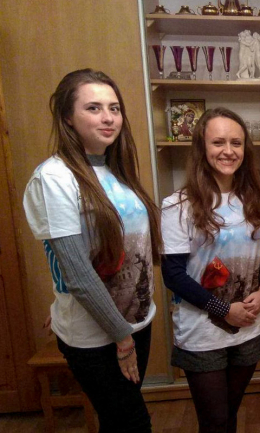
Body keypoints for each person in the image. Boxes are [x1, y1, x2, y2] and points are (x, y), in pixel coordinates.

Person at [23, 69, 163, 431]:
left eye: (114, 108)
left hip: (137, 322)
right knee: (133, 424)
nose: (108, 117)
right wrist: (121, 338)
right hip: (101, 337)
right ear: (67, 117)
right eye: (93, 108)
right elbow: (77, 271)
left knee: (118, 422)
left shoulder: (115, 171)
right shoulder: (54, 177)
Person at [161, 107, 260, 433]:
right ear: (202, 148)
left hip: (248, 327)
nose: (228, 151)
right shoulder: (178, 205)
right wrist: (224, 310)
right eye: (218, 142)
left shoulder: (251, 198)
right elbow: (173, 275)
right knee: (215, 421)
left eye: (236, 143)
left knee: (229, 415)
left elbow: (255, 259)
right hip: (202, 333)